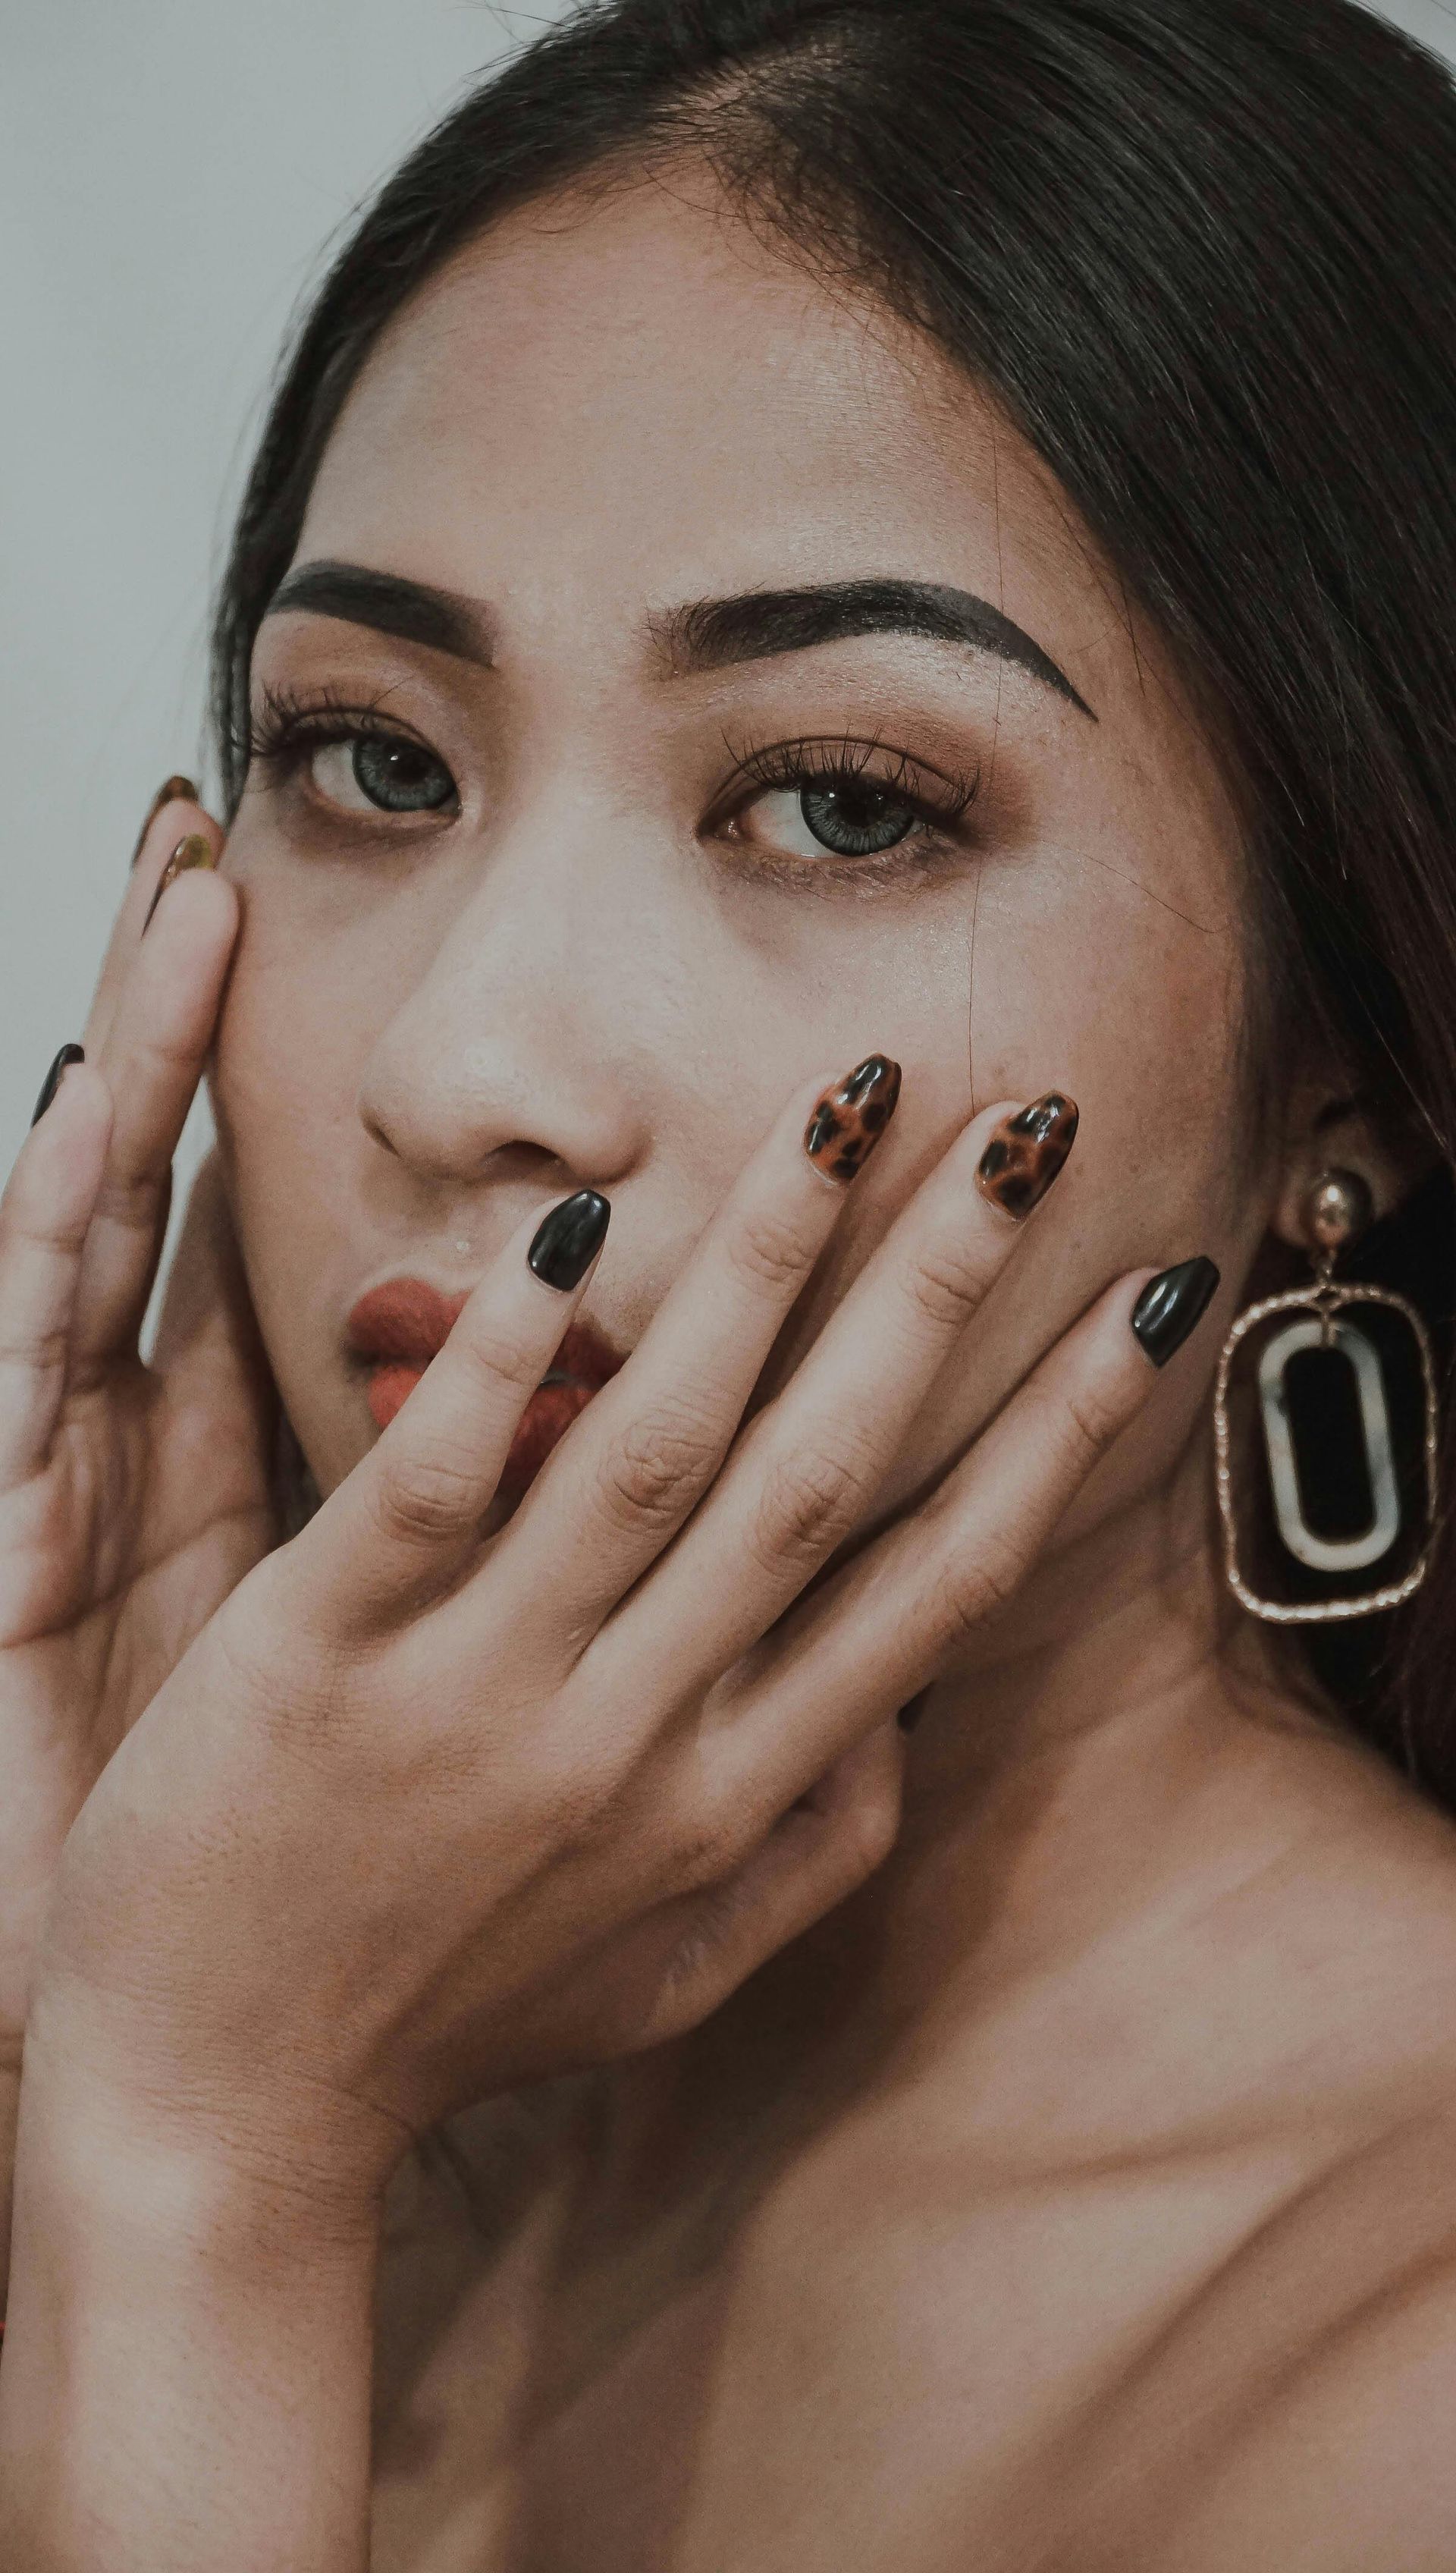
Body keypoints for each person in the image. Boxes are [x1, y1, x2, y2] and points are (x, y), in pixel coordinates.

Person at [2, 0, 1456, 2560]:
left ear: (1353, 1046)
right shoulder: (174, 2002)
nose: (467, 1064)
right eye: (374, 759)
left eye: (839, 803)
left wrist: (193, 2173)